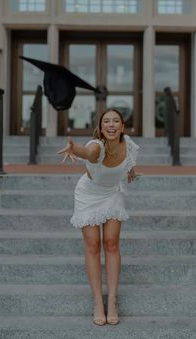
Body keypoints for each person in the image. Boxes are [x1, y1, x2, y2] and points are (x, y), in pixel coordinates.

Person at [57, 108, 139, 326]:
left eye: (115, 121)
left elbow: (130, 161)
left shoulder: (128, 144)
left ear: (122, 127)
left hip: (112, 193)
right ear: (101, 128)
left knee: (111, 244)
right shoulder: (97, 146)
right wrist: (75, 148)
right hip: (89, 195)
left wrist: (130, 171)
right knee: (92, 245)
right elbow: (88, 153)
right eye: (106, 122)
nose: (111, 125)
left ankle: (112, 300)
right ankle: (97, 302)